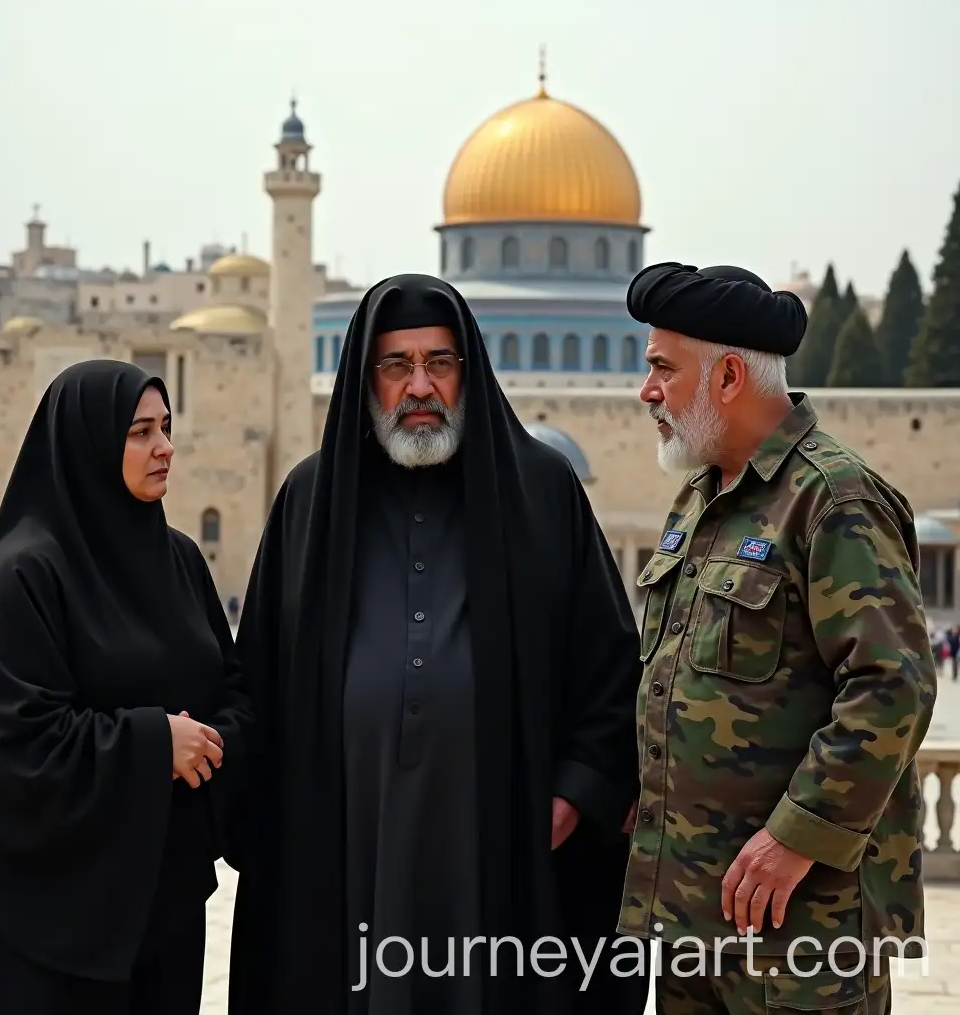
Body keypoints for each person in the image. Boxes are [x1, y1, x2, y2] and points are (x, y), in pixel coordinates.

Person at [225, 273, 648, 1015]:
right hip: (345, 839)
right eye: (397, 365)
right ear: (365, 378)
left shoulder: (541, 491)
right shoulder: (310, 502)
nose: (419, 387)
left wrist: (575, 794)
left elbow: (609, 668)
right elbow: (256, 678)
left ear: (468, 371)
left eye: (439, 363)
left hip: (503, 842)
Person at [616, 262, 936, 1014]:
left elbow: (892, 686)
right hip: (694, 921)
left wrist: (799, 834)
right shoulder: (703, 498)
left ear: (728, 376)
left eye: (664, 368)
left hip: (801, 935)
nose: (647, 391)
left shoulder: (833, 499)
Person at [0, 359, 253, 1013]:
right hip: (55, 922)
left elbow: (231, 689)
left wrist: (214, 744)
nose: (165, 447)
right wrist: (155, 745)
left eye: (167, 428)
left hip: (164, 906)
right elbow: (19, 741)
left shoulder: (179, 559)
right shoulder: (29, 574)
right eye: (140, 432)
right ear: (88, 443)